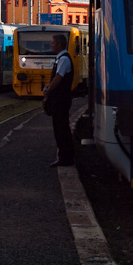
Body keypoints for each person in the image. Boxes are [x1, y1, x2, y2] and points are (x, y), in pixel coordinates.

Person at [43, 34, 74, 167]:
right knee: (60, 128)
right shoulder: (60, 58)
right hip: (59, 99)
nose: (51, 45)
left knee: (61, 129)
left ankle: (65, 158)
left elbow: (58, 77)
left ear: (60, 44)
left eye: (53, 43)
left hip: (61, 100)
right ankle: (64, 156)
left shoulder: (64, 59)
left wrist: (48, 89)